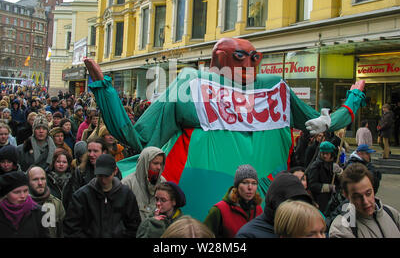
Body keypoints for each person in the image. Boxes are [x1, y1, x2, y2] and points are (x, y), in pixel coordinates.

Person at [85, 37, 366, 219]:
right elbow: (138, 136)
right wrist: (103, 89)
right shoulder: (191, 85)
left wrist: (352, 101)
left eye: (255, 57)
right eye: (241, 56)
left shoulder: (273, 88)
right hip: (196, 199)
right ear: (220, 60)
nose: (249, 63)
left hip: (258, 202)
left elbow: (321, 121)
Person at [63, 154, 142, 237]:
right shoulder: (82, 196)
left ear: (115, 171)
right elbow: (71, 227)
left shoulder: (126, 194)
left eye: (107, 176)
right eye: (100, 175)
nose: (103, 180)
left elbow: (134, 225)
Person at [329, 163, 400, 238]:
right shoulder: (342, 227)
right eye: (357, 197)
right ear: (346, 195)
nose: (365, 202)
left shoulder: (391, 214)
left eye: (368, 193)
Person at [235, 171, 314, 238]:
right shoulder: (248, 235)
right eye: (245, 183)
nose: (298, 210)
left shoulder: (312, 227)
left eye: (302, 203)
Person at [204, 164, 263, 238]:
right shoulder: (219, 210)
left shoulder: (258, 209)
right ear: (237, 186)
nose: (250, 187)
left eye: (254, 183)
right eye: (245, 182)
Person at [121, 146, 166, 220]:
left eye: (161, 164)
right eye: (155, 163)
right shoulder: (127, 183)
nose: (159, 167)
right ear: (144, 163)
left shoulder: (163, 183)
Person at [0, 171, 49, 237]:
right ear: (6, 194)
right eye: (17, 192)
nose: (23, 196)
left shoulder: (39, 212)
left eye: (25, 191)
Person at [27, 166, 65, 238]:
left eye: (43, 179)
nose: (40, 183)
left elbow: (62, 233)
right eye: (35, 179)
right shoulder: (21, 204)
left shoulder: (56, 204)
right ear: (28, 182)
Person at [306, 141, 343, 214]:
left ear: (331, 154)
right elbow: (312, 185)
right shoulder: (315, 166)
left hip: (333, 199)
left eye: (327, 154)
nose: (325, 156)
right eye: (323, 153)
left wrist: (339, 172)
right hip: (320, 201)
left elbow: (341, 182)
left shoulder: (334, 164)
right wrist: (328, 187)